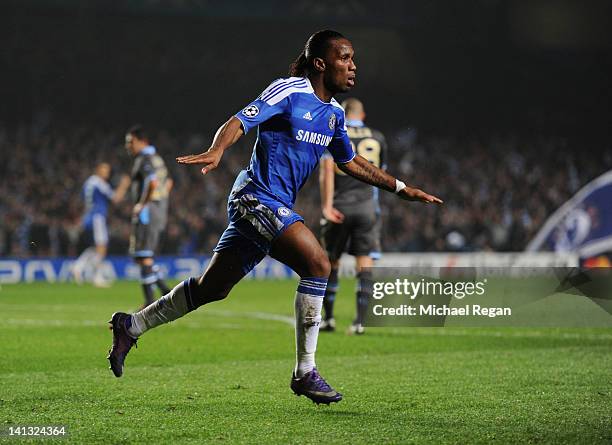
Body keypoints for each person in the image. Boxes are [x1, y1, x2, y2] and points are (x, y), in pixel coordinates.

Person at [107, 30, 442, 405]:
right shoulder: (289, 91)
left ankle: (130, 325)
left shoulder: (333, 115)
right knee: (317, 263)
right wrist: (218, 150)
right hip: (255, 197)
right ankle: (305, 372)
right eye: (344, 58)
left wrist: (400, 187)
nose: (353, 66)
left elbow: (349, 161)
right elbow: (240, 119)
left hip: (274, 204)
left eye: (352, 59)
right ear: (320, 63)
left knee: (211, 289)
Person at [319, 97, 387, 335]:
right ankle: (359, 321)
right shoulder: (377, 138)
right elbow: (380, 176)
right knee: (364, 261)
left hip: (339, 206)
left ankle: (328, 319)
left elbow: (327, 172)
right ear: (363, 115)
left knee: (331, 261)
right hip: (367, 207)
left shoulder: (334, 132)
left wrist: (327, 205)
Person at [124, 126, 173, 306]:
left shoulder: (144, 159)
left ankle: (149, 302)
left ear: (141, 141)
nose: (128, 146)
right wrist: (161, 204)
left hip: (147, 212)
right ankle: (166, 292)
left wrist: (142, 205)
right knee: (142, 257)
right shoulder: (157, 158)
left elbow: (152, 182)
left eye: (130, 142)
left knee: (143, 255)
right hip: (158, 211)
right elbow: (168, 182)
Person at [72, 162, 129, 287]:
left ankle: (78, 266)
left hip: (88, 217)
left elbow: (83, 200)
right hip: (97, 217)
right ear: (98, 170)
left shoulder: (88, 182)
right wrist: (124, 185)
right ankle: (96, 277)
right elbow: (116, 198)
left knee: (96, 247)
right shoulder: (99, 183)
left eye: (108, 171)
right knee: (102, 247)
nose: (107, 173)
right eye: (104, 170)